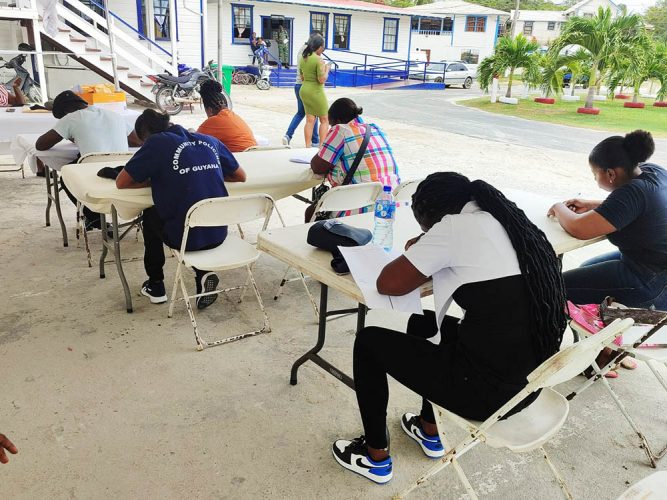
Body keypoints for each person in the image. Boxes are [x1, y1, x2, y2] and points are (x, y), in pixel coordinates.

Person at [333, 172, 567, 484]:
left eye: (426, 227)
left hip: (488, 395)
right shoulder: (506, 222)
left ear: (436, 218)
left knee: (368, 341)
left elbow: (389, 283)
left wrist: (423, 245)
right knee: (424, 323)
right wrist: (428, 244)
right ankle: (429, 430)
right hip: (528, 381)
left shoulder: (454, 228)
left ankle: (374, 456)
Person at [116, 110, 246, 308]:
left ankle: (156, 285)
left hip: (185, 237)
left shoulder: (156, 143)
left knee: (151, 215)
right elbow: (240, 176)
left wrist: (160, 179)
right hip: (218, 231)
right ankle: (203, 274)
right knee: (192, 212)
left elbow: (122, 182)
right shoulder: (208, 140)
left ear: (147, 135)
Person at [548, 130, 667, 311]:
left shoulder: (633, 192)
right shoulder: (653, 171)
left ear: (611, 174)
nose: (594, 177)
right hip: (653, 266)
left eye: (595, 173)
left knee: (555, 288)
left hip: (649, 281)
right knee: (585, 267)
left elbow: (579, 228)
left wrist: (558, 207)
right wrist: (592, 205)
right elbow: (642, 207)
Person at [36, 90, 142, 228]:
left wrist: (70, 134)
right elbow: (136, 141)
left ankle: (94, 218)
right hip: (122, 170)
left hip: (93, 172)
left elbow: (41, 144)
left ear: (67, 111)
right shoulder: (114, 115)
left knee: (66, 177)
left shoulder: (72, 118)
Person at [308, 98, 400, 221]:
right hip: (388, 206)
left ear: (338, 121)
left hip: (356, 208)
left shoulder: (340, 129)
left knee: (310, 212)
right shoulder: (376, 129)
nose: (330, 128)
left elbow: (317, 167)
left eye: (331, 124)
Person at [197, 79, 257, 152]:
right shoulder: (233, 116)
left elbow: (193, 141)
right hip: (253, 153)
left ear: (209, 110)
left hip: (238, 158)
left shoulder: (214, 121)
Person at [282, 33, 320, 147]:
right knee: (314, 113)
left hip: (298, 85)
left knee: (301, 113)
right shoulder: (311, 54)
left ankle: (288, 135)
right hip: (307, 86)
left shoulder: (301, 50)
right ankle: (315, 141)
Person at [298, 34, 329, 147]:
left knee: (310, 120)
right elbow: (321, 79)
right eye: (323, 47)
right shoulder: (318, 59)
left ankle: (307, 146)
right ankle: (322, 146)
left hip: (304, 90)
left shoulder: (303, 57)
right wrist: (327, 69)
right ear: (319, 47)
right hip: (316, 91)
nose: (323, 50)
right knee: (325, 119)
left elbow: (302, 77)